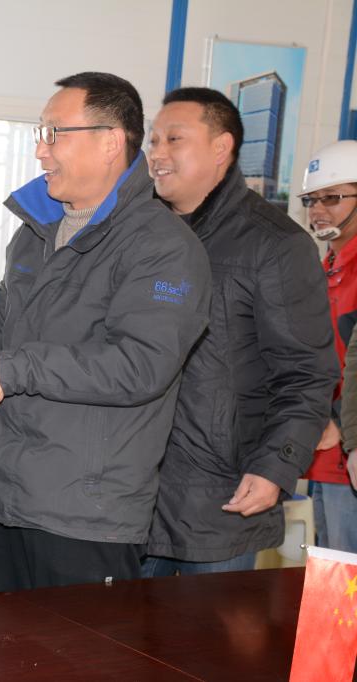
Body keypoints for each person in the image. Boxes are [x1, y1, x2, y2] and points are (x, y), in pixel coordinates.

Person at [0, 72, 211, 591]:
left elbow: (140, 365)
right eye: (39, 134)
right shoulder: (37, 231)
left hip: (87, 517)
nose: (41, 150)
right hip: (7, 503)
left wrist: (9, 370)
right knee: (1, 643)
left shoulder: (162, 247)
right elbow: (3, 326)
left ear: (110, 141)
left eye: (54, 133)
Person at [142, 88, 336, 576]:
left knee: (207, 628)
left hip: (221, 497)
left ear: (221, 148)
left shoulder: (275, 245)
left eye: (174, 139)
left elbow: (306, 373)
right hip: (131, 494)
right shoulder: (139, 233)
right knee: (118, 626)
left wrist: (274, 467)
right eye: (153, 140)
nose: (157, 153)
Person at [300, 140, 357, 552]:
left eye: (333, 198)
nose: (318, 210)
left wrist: (340, 421)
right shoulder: (327, 268)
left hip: (348, 451)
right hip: (323, 455)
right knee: (331, 574)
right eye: (311, 200)